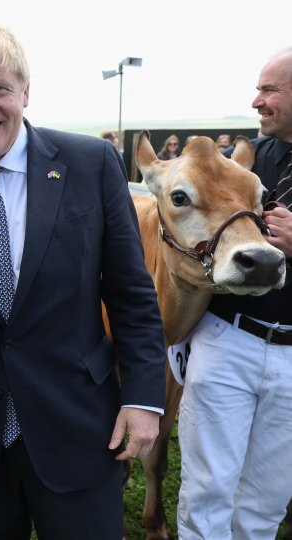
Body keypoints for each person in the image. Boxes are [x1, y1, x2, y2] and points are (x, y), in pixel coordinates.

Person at [0, 21, 164, 538]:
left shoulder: (91, 163)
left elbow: (131, 292)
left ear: (25, 92)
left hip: (82, 428)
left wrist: (143, 399)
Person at [178, 47, 292, 540]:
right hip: (231, 338)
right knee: (208, 491)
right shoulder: (245, 164)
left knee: (267, 501)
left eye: (269, 90)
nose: (256, 101)